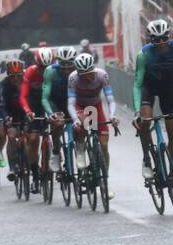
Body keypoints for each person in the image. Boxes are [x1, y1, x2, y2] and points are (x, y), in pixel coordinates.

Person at [133, 18, 173, 182]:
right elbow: (137, 84)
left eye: (164, 38)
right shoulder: (143, 54)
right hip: (148, 88)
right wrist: (137, 111)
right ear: (150, 40)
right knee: (144, 121)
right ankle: (147, 159)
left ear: (169, 36)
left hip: (167, 89)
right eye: (156, 40)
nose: (161, 43)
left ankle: (172, 172)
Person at [67, 53, 117, 195]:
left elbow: (110, 99)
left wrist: (112, 116)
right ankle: (81, 149)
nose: (88, 77)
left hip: (96, 107)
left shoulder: (102, 76)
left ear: (93, 69)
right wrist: (75, 119)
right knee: (82, 122)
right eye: (83, 75)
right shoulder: (73, 78)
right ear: (78, 73)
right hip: (80, 107)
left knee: (104, 145)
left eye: (90, 73)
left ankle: (105, 182)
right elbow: (70, 103)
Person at [19, 47, 55, 188]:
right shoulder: (30, 72)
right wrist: (28, 111)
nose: (44, 70)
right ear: (36, 64)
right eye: (41, 67)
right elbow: (23, 95)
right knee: (33, 139)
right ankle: (35, 175)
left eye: (47, 66)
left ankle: (57, 154)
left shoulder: (54, 72)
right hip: (33, 105)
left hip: (49, 102)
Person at [41, 44, 77, 173]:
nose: (67, 69)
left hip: (72, 100)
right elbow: (45, 98)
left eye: (70, 65)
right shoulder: (50, 71)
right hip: (54, 101)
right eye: (63, 65)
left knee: (81, 126)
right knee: (57, 124)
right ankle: (56, 152)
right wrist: (51, 113)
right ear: (58, 61)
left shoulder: (79, 70)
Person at [0, 60, 27, 182]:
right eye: (12, 76)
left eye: (18, 76)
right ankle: (11, 167)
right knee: (11, 136)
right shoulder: (4, 85)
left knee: (31, 136)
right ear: (8, 76)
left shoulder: (27, 82)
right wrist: (6, 118)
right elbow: (1, 105)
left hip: (26, 113)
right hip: (10, 115)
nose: (15, 78)